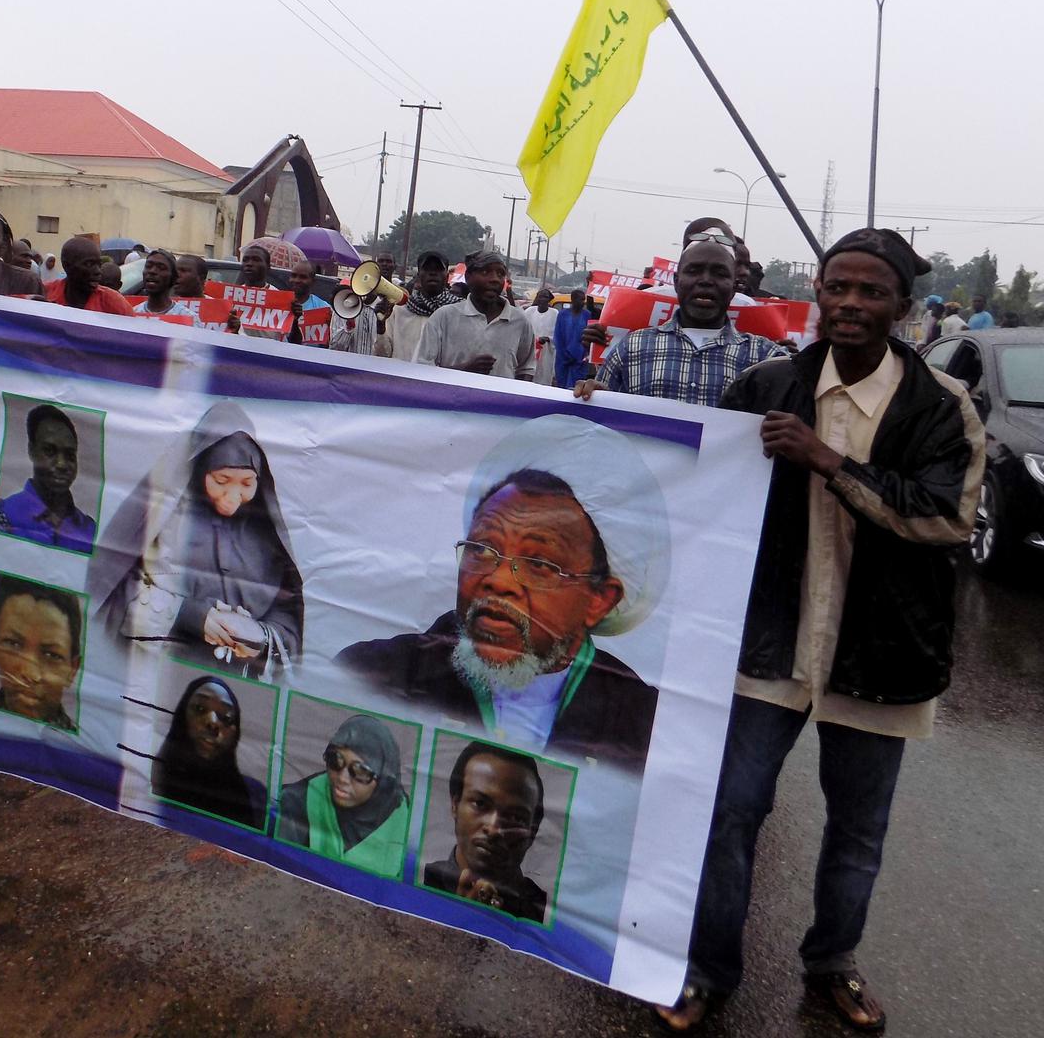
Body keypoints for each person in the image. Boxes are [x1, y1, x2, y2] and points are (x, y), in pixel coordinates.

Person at [657, 227, 985, 1033]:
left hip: (880, 652)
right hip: (767, 644)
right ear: (817, 291)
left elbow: (945, 519)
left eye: (870, 291)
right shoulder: (764, 384)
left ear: (902, 308)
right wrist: (595, 410)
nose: (849, 303)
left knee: (856, 831)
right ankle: (707, 971)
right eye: (837, 286)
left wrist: (827, 462)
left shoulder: (942, 406)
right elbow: (685, 474)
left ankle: (832, 962)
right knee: (731, 811)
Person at [337, 416, 663, 775]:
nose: (498, 580)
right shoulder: (371, 674)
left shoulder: (644, 726)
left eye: (539, 563)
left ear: (599, 599)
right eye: (482, 549)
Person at [89, 402, 303, 679]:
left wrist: (260, 636)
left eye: (246, 484)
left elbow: (288, 613)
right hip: (154, 675)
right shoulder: (163, 515)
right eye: (222, 480)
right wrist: (189, 615)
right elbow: (114, 589)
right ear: (202, 468)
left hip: (237, 686)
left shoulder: (266, 534)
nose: (232, 497)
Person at [574, 240, 784, 408]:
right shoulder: (632, 348)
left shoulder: (766, 359)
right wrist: (596, 399)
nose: (706, 281)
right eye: (694, 271)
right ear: (676, 282)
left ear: (733, 287)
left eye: (720, 274)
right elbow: (602, 429)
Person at [423, 742, 548, 922]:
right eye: (480, 804)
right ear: (455, 804)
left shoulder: (544, 908)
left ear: (533, 831)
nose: (494, 828)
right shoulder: (422, 877)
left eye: (514, 818)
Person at [275, 714, 410, 876]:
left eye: (360, 771)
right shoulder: (297, 801)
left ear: (382, 780)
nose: (342, 778)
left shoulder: (400, 813)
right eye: (335, 760)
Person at [150, 676, 267, 829]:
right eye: (199, 708)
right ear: (181, 716)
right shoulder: (146, 773)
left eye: (226, 717)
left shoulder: (255, 796)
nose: (212, 723)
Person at [413, 250, 534, 380]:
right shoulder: (444, 317)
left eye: (500, 274)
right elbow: (423, 368)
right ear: (468, 276)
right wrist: (465, 370)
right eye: (485, 272)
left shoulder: (520, 321)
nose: (494, 279)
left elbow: (527, 369)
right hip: (452, 399)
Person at [0, 404, 97, 553]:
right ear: (31, 451)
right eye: (50, 451)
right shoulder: (3, 515)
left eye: (70, 455)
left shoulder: (90, 530)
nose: (62, 464)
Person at [0, 574, 82, 729]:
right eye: (13, 644)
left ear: (73, 669)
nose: (30, 674)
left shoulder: (83, 750)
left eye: (51, 655)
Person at [389, 251, 460, 362]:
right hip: (402, 377)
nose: (432, 273)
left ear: (446, 277)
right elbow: (382, 354)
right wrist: (380, 327)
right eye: (427, 269)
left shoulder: (458, 312)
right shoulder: (400, 310)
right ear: (418, 276)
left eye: (438, 269)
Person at [43, 237, 136, 315]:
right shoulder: (45, 293)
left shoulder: (113, 302)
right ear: (66, 265)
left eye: (99, 264)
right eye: (89, 264)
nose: (98, 271)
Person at [131, 249, 194, 319]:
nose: (152, 271)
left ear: (173, 277)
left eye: (161, 268)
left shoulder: (188, 318)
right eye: (148, 266)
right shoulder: (131, 315)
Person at [551, 289, 595, 388]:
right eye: (580, 299)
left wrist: (582, 355)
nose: (583, 302)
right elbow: (558, 336)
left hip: (580, 360)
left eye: (584, 300)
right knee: (561, 387)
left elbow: (589, 336)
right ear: (573, 299)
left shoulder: (587, 315)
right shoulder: (562, 315)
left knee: (576, 387)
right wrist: (565, 355)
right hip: (563, 358)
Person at [285, 259, 332, 347]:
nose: (297, 280)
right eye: (293, 275)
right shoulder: (277, 303)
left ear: (313, 281)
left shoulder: (324, 308)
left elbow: (327, 346)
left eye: (303, 277)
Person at [520, 288, 559, 386]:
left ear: (549, 299)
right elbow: (523, 329)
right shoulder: (529, 311)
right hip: (531, 348)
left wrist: (547, 339)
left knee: (544, 374)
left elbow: (557, 334)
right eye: (540, 296)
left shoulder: (554, 313)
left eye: (545, 297)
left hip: (547, 350)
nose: (542, 299)